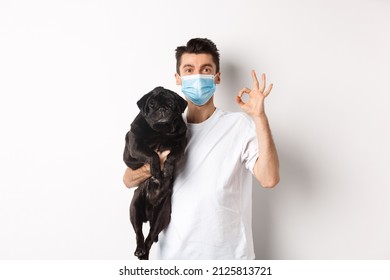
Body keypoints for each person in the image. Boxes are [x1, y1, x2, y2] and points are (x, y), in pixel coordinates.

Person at [123, 38, 279, 259]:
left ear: (217, 77)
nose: (197, 77)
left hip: (229, 261)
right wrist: (154, 164)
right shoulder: (162, 130)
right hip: (173, 260)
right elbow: (128, 180)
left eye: (206, 70)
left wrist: (259, 117)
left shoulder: (238, 125)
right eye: (189, 70)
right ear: (178, 78)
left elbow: (269, 179)